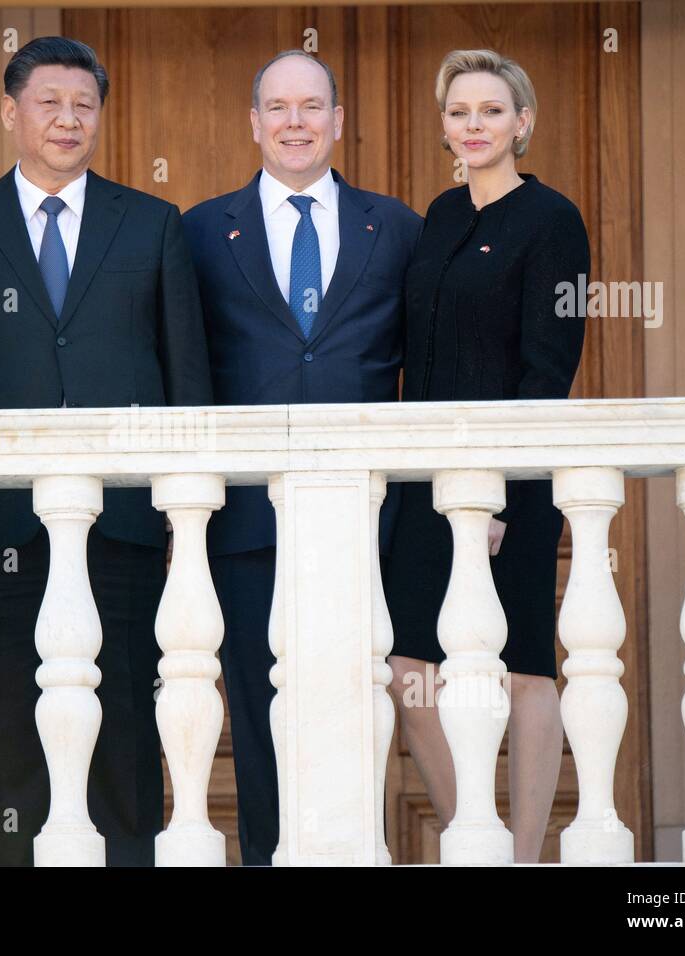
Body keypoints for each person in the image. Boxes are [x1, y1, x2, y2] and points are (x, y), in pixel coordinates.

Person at [0, 36, 212, 866]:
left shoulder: (152, 224)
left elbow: (188, 383)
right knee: (16, 728)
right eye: (49, 102)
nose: (67, 119)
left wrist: (184, 524)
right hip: (7, 530)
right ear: (11, 112)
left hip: (124, 527)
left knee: (122, 727)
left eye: (84, 104)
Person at [182, 50, 422, 865]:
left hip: (365, 519)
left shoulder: (394, 227)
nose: (295, 122)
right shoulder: (202, 231)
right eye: (278, 107)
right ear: (254, 123)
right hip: (246, 521)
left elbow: (418, 372)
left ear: (338, 121)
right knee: (258, 710)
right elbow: (188, 374)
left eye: (312, 106)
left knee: (356, 706)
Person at [384, 49, 588, 863]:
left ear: (523, 123)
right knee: (410, 663)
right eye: (461, 112)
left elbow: (549, 366)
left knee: (526, 661)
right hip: (430, 479)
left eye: (492, 112)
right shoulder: (436, 215)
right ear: (445, 126)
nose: (474, 125)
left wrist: (498, 495)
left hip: (514, 481)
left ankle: (528, 852)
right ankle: (473, 833)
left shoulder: (551, 219)